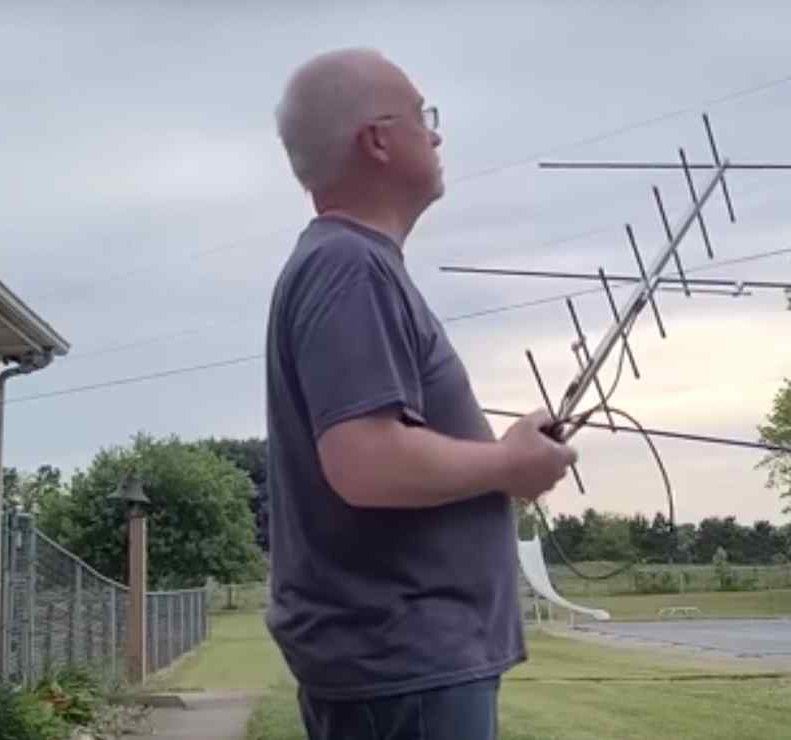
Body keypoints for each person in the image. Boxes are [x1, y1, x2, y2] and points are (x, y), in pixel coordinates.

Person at [262, 48, 579, 739]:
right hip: (403, 661)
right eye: (421, 116)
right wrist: (507, 465)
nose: (434, 134)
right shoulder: (348, 268)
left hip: (405, 665)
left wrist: (504, 461)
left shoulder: (351, 266)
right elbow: (366, 462)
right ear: (377, 139)